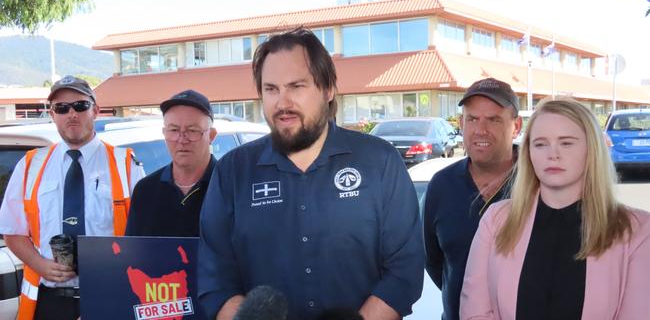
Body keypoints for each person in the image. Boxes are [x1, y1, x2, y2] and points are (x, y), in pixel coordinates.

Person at [198, 28, 424, 320]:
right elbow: (215, 281)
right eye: (271, 89)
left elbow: (404, 270)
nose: (282, 103)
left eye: (297, 86)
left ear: (328, 89)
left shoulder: (380, 162)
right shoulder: (232, 172)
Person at [460, 97, 650, 319]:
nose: (553, 154)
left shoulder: (637, 230)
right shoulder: (496, 220)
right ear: (528, 153)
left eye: (566, 142)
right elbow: (474, 311)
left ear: (592, 150)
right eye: (540, 144)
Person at [0, 75, 145, 320]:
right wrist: (40, 264)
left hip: (110, 296)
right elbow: (12, 231)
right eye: (62, 108)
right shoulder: (30, 165)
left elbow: (145, 234)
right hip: (49, 302)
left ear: (96, 110)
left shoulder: (125, 165)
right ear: (53, 114)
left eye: (80, 105)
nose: (72, 114)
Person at [422, 77, 522, 320]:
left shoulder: (541, 183)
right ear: (461, 123)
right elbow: (435, 262)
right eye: (473, 119)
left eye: (494, 119)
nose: (481, 130)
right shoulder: (441, 185)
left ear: (516, 126)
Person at [125, 89, 217, 237]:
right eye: (174, 130)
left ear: (211, 135)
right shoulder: (145, 190)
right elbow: (134, 253)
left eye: (192, 130)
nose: (182, 139)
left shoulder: (230, 186)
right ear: (164, 133)